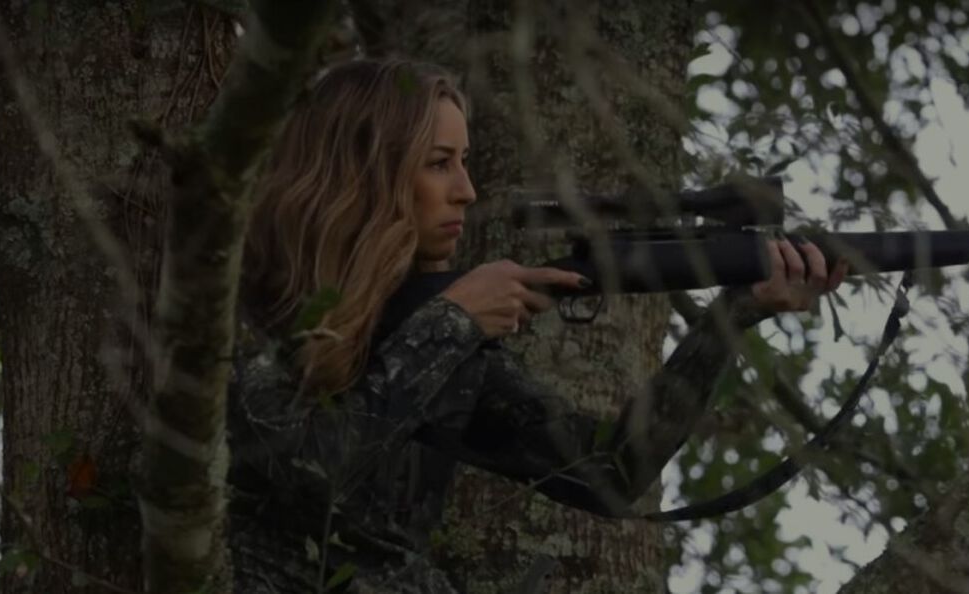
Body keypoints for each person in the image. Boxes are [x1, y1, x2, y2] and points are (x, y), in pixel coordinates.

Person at [226, 58, 846, 593]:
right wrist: (455, 319)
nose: (466, 190)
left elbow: (609, 473)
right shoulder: (240, 307)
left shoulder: (440, 341)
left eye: (463, 162)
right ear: (367, 173)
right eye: (440, 163)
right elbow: (308, 473)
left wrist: (732, 316)